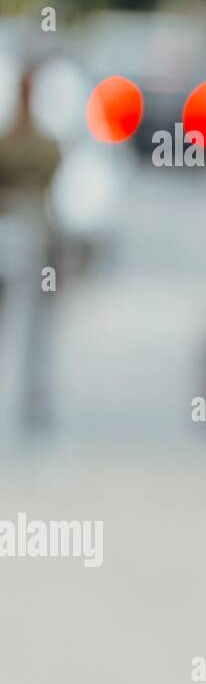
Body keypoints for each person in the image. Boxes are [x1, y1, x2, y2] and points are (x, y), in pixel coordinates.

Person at [0, 64, 61, 439]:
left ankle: (33, 402)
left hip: (31, 235)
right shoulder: (15, 140)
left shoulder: (38, 141)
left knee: (35, 328)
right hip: (14, 234)